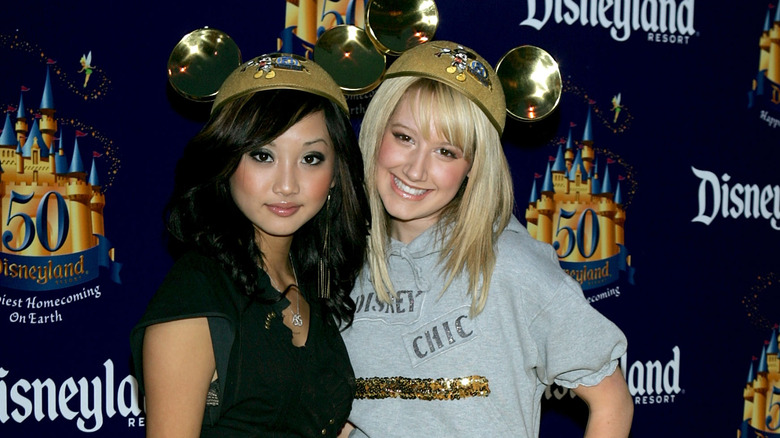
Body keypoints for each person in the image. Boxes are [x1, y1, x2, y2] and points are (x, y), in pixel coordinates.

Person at [339, 41, 633, 437]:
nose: (415, 168)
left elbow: (611, 400)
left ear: (473, 167)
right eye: (405, 137)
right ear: (377, 133)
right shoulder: (343, 260)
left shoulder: (510, 264)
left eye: (445, 151)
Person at [130, 53, 370, 437]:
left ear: (336, 174)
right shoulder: (198, 293)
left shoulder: (314, 282)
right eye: (263, 155)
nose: (287, 184)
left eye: (310, 158)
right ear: (225, 160)